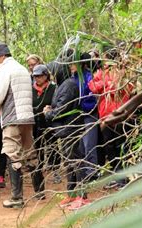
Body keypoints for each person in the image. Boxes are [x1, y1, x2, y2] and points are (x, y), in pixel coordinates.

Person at [0, 42, 37, 208]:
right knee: (30, 152)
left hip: (12, 117)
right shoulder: (22, 69)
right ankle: (40, 191)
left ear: (0, 56)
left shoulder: (4, 70)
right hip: (27, 117)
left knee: (12, 153)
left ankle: (17, 198)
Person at [43, 56, 89, 210]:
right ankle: (71, 193)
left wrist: (48, 113)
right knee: (69, 163)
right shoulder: (62, 85)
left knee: (77, 161)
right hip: (65, 129)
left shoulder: (69, 85)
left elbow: (62, 109)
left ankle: (82, 196)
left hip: (72, 128)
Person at [88, 51, 134, 189]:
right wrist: (107, 83)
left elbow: (120, 89)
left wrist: (107, 84)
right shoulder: (102, 73)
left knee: (122, 146)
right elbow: (92, 86)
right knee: (110, 148)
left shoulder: (125, 73)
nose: (105, 63)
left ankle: (125, 178)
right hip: (105, 117)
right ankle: (119, 176)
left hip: (121, 115)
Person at [30, 64, 57, 199]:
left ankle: (56, 173)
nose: (38, 78)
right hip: (35, 125)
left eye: (40, 75)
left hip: (49, 124)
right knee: (37, 154)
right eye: (35, 76)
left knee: (53, 149)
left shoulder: (53, 88)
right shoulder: (31, 89)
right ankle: (39, 187)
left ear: (46, 75)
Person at [73, 52, 99, 181]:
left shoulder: (89, 77)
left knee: (89, 144)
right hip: (78, 115)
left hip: (90, 113)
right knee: (81, 145)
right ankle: (84, 172)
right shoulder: (74, 77)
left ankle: (92, 172)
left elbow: (92, 95)